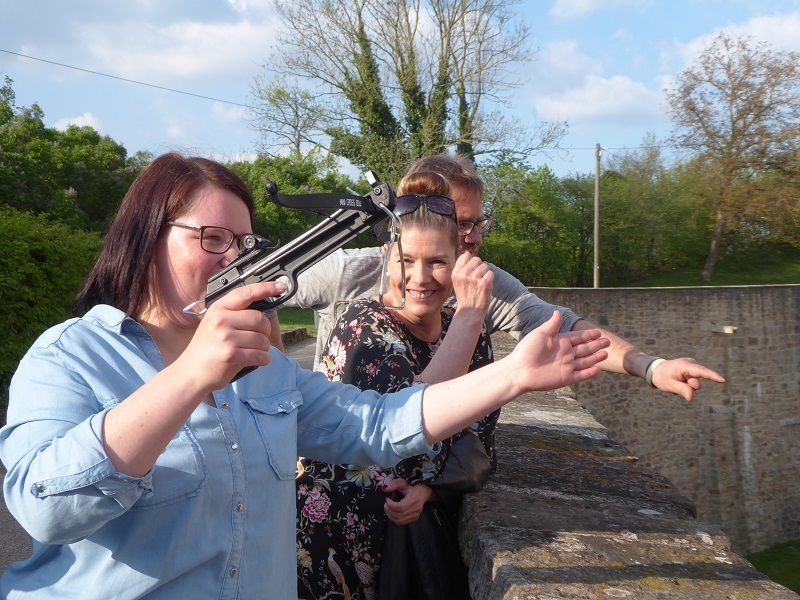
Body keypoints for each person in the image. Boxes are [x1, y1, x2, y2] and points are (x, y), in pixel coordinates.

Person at [0, 152, 610, 600]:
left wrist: (513, 375)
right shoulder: (69, 357)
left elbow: (378, 425)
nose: (234, 258)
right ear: (145, 238)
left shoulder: (262, 370)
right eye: (212, 238)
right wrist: (190, 375)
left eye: (242, 242)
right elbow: (44, 510)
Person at [286, 154, 725, 400]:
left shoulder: (483, 284)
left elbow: (565, 327)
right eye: (459, 223)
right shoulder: (352, 272)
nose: (473, 239)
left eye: (480, 223)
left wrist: (650, 366)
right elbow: (253, 293)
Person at [296, 171, 493, 599]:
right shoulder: (364, 326)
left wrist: (428, 489)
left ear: (460, 260)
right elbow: (406, 434)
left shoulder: (471, 333)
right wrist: (470, 321)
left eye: (437, 261)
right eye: (406, 260)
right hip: (333, 544)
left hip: (404, 545)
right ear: (388, 257)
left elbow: (479, 442)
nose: (420, 277)